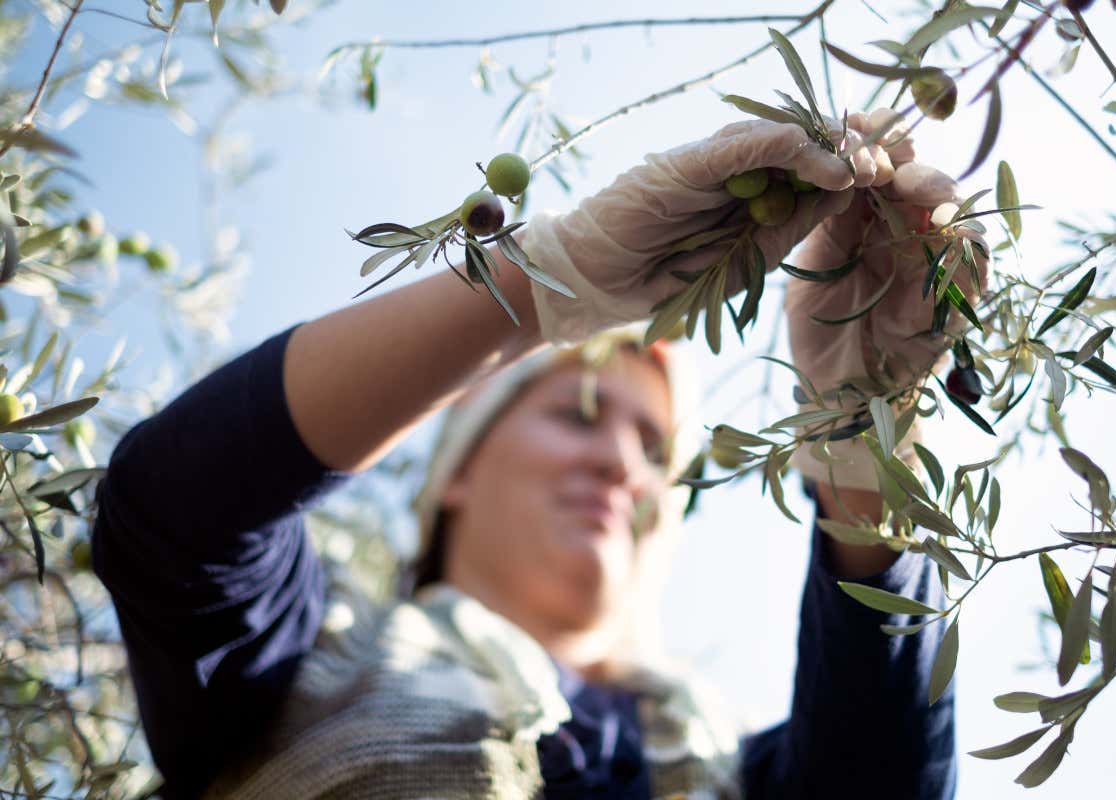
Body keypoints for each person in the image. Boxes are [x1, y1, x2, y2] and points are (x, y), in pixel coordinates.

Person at [91, 110, 978, 799]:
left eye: (653, 450)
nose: (621, 466)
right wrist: (544, 283)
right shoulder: (310, 663)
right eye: (581, 413)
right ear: (461, 467)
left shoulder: (741, 769)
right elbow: (171, 517)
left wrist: (865, 441)